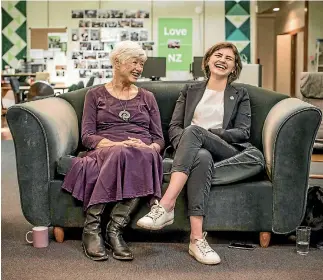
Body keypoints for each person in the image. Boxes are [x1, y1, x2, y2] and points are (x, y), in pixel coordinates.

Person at [137, 42, 265, 265]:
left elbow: (242, 132)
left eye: (229, 58)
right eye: (218, 55)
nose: (223, 60)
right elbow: (175, 127)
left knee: (195, 132)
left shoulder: (240, 93)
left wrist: (207, 134)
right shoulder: (190, 90)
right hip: (195, 153)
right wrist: (189, 143)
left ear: (234, 67)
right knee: (201, 156)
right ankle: (196, 240)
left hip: (224, 150)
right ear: (207, 61)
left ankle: (166, 205)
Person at [62, 41, 164, 262]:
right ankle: (94, 228)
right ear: (117, 62)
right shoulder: (95, 95)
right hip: (107, 150)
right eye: (135, 62)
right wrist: (115, 145)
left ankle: (112, 229)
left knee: (143, 155)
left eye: (142, 64)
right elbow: (88, 136)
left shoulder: (147, 97)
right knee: (122, 153)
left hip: (142, 151)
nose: (139, 68)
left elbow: (158, 139)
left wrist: (150, 147)